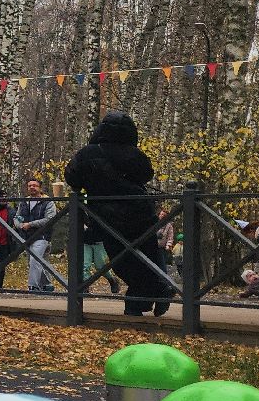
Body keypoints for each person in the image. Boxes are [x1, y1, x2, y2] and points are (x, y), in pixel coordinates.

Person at [66, 111, 173, 316]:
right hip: (139, 215)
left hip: (106, 217)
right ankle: (149, 296)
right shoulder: (135, 154)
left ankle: (146, 297)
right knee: (147, 258)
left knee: (122, 262)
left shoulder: (87, 153)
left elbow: (72, 178)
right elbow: (146, 175)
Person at [13, 179, 58, 292]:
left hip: (42, 236)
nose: (32, 187)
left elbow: (50, 218)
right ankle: (46, 284)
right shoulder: (24, 202)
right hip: (27, 236)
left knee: (35, 260)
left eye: (35, 185)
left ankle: (33, 286)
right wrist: (19, 225)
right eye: (29, 186)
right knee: (37, 261)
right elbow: (17, 217)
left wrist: (31, 224)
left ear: (40, 188)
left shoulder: (48, 202)